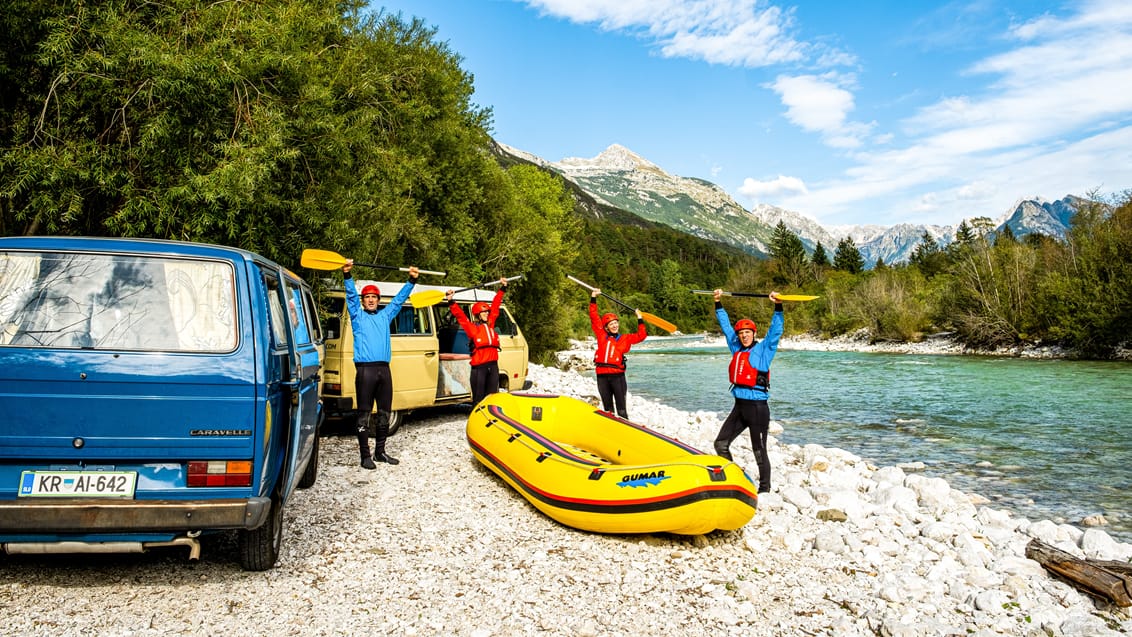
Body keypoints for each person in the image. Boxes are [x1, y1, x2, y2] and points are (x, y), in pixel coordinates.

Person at [343, 260, 418, 469]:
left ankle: (380, 452)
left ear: (378, 300)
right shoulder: (357, 316)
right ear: (363, 300)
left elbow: (399, 300)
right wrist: (348, 276)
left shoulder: (385, 316)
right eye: (367, 297)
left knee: (385, 412)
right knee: (364, 413)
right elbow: (350, 297)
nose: (370, 300)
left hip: (384, 370)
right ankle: (365, 456)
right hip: (365, 370)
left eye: (373, 297)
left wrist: (412, 280)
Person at [711, 288, 783, 494]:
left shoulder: (763, 350)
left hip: (758, 408)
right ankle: (734, 480)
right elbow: (726, 328)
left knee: (759, 450)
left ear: (754, 334)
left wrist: (778, 305)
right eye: (741, 333)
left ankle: (765, 489)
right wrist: (718, 303)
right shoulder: (736, 349)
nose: (743, 336)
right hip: (740, 406)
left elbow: (776, 330)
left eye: (747, 333)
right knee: (721, 444)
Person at [445, 278, 509, 407]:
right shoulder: (473, 328)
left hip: (493, 366)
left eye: (487, 312)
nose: (487, 314)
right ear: (478, 315)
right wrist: (451, 301)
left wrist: (502, 289)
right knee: (479, 400)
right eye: (484, 312)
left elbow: (495, 306)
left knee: (492, 398)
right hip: (480, 368)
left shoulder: (490, 324)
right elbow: (460, 316)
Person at [588, 288, 647, 418]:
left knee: (621, 410)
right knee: (608, 409)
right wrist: (593, 297)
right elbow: (594, 316)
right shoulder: (601, 335)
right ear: (606, 327)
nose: (614, 326)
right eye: (611, 324)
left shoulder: (625, 338)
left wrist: (640, 318)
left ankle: (624, 431)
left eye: (616, 323)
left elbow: (641, 335)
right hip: (602, 377)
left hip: (617, 377)